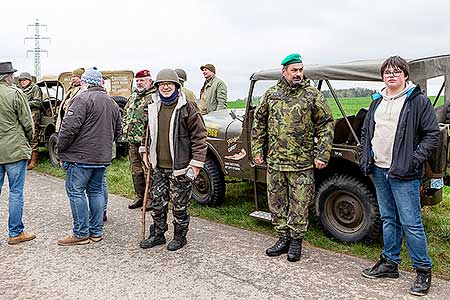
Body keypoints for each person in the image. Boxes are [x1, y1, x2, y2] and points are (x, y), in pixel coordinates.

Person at [360, 56, 439, 296]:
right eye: (387, 72)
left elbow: (431, 135)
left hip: (404, 172)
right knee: (388, 218)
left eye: (396, 71)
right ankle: (389, 263)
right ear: (382, 76)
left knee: (411, 223)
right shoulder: (377, 101)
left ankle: (423, 270)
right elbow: (367, 131)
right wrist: (367, 155)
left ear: (405, 75)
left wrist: (414, 160)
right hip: (380, 168)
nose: (391, 75)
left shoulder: (417, 101)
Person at [251, 53, 334, 262]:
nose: (298, 74)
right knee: (276, 201)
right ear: (284, 71)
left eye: (300, 70)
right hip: (276, 161)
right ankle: (282, 237)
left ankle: (296, 241)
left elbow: (326, 123)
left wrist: (322, 153)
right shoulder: (271, 94)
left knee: (300, 203)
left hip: (301, 162)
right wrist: (257, 150)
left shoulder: (311, 94)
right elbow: (259, 122)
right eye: (294, 70)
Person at [139, 69, 207, 251]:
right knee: (158, 203)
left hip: (181, 168)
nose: (166, 87)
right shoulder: (153, 106)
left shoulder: (187, 107)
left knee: (179, 206)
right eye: (162, 84)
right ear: (157, 87)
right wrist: (144, 151)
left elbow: (200, 137)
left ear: (177, 86)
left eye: (170, 84)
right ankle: (158, 234)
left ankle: (179, 237)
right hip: (158, 166)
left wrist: (196, 163)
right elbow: (147, 133)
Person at [56, 67, 121, 246]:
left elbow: (68, 129)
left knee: (76, 191)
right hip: (102, 157)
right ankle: (96, 232)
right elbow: (118, 131)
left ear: (85, 82)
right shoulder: (112, 102)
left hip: (80, 158)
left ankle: (80, 233)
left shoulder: (81, 99)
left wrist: (60, 151)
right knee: (96, 191)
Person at [0, 62, 36, 244]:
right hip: (14, 149)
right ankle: (15, 233)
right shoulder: (15, 93)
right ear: (9, 77)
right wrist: (30, 139)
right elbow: (28, 122)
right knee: (15, 192)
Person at [122, 69, 155, 210]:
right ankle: (140, 196)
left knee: (149, 169)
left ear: (149, 80)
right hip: (132, 140)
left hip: (147, 140)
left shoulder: (154, 96)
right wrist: (124, 129)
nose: (139, 83)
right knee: (136, 169)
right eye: (138, 81)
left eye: (142, 80)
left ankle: (151, 198)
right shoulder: (133, 96)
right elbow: (126, 113)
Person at [17, 72, 43, 170]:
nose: (23, 82)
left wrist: (24, 103)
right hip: (23, 114)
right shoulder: (19, 90)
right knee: (24, 137)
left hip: (33, 114)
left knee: (33, 136)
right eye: (21, 80)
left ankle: (34, 159)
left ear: (29, 80)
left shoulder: (35, 88)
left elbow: (38, 103)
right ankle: (27, 158)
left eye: (25, 80)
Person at [55, 68, 84, 132]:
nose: (72, 78)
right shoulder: (71, 90)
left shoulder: (83, 90)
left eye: (75, 76)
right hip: (67, 121)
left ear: (81, 78)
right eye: (72, 76)